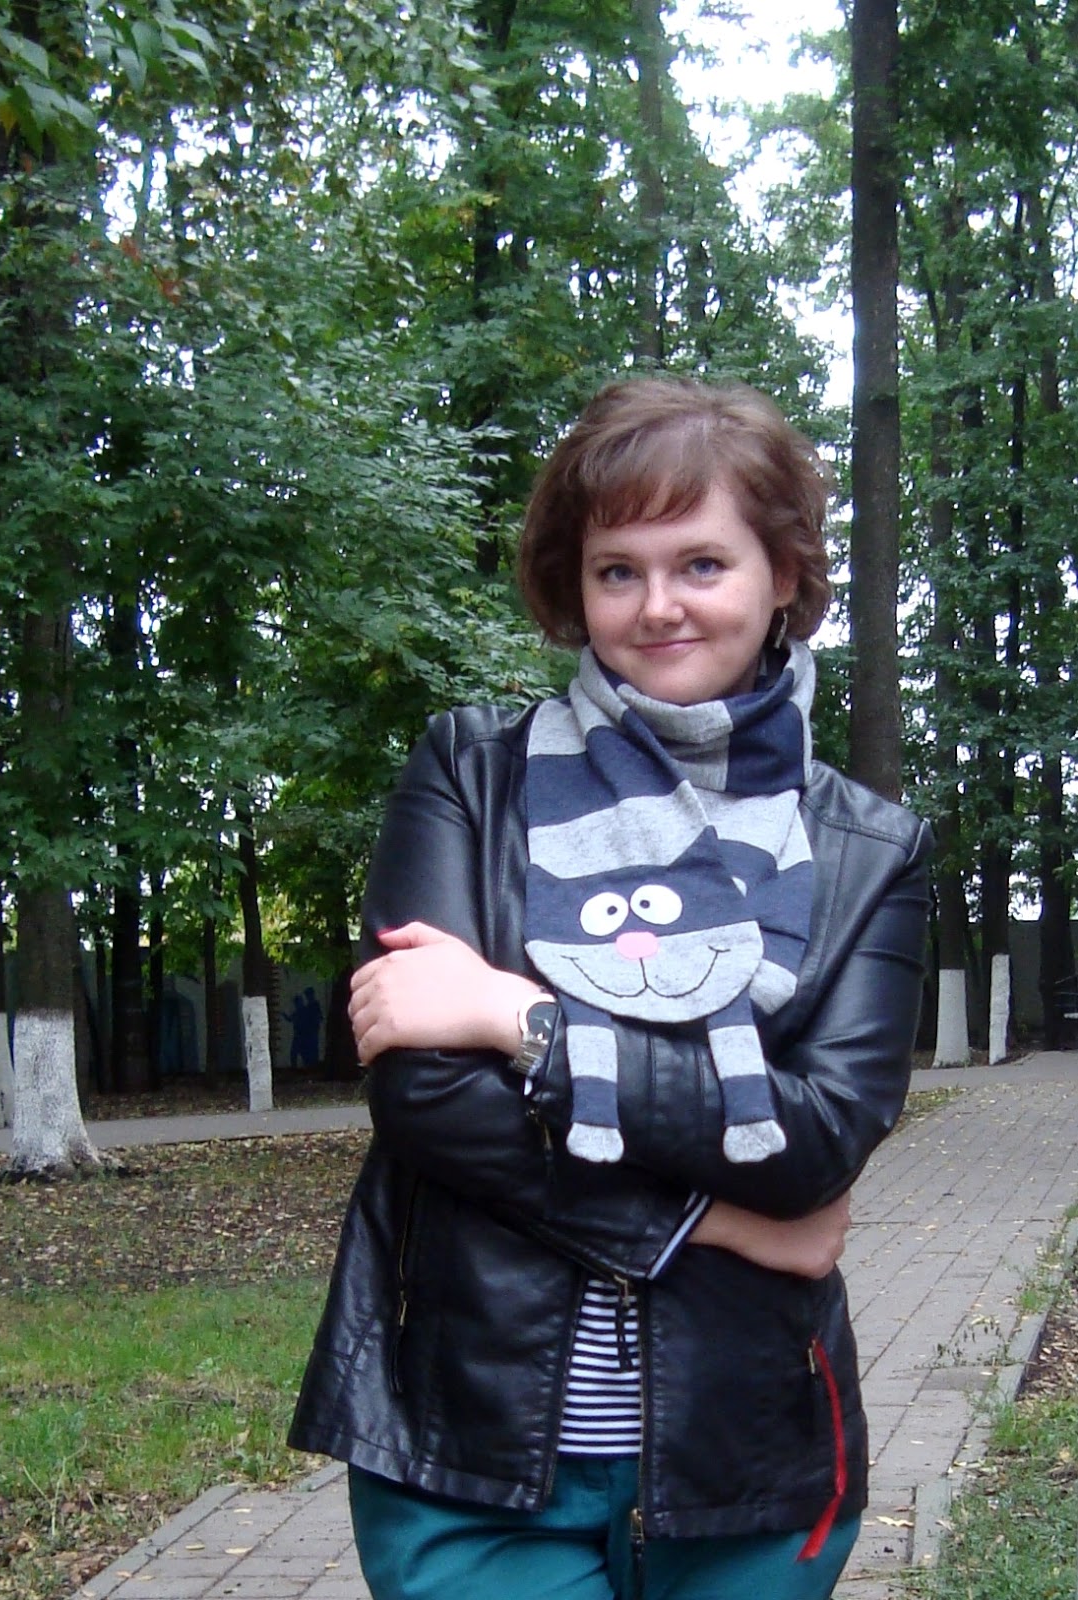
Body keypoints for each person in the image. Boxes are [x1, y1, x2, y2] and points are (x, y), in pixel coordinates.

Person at [288, 375, 932, 1600]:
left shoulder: (866, 849)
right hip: (475, 1455)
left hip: (744, 1461)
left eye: (702, 563)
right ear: (573, 584)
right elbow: (427, 1096)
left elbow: (814, 1140)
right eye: (616, 570)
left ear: (783, 574)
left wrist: (518, 1019)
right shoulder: (471, 774)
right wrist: (712, 1220)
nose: (656, 605)